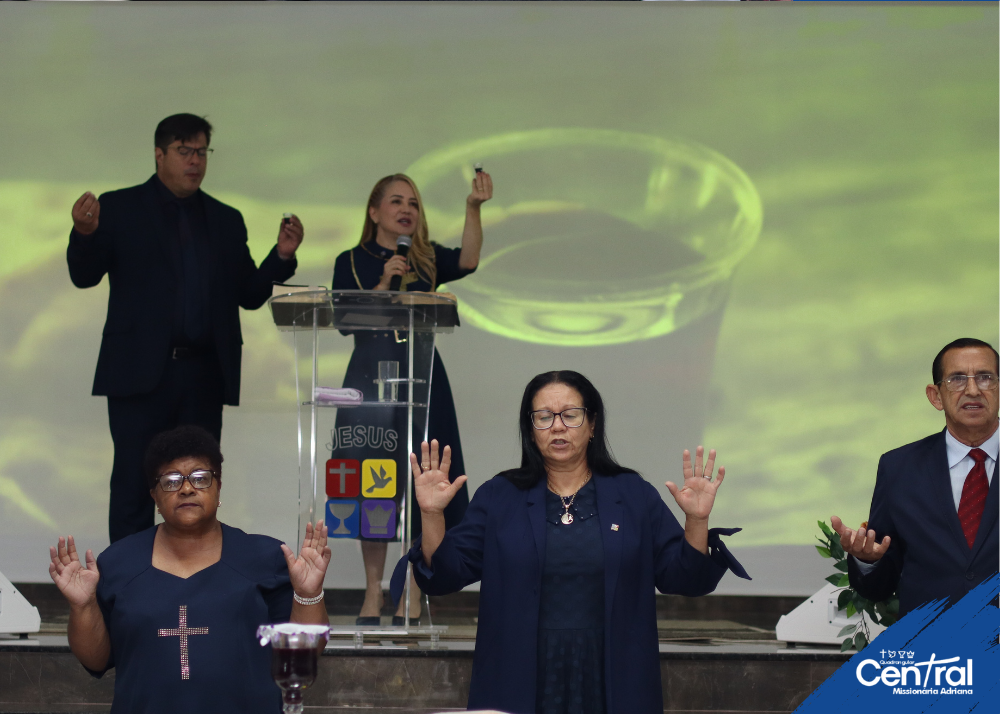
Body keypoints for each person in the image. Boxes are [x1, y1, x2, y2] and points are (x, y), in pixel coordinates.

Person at [390, 370, 749, 714]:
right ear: (530, 430)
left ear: (592, 425)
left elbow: (686, 578)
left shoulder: (633, 495)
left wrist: (696, 520)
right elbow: (443, 576)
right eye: (544, 417)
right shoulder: (500, 496)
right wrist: (432, 513)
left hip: (612, 676)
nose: (558, 426)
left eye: (571, 415)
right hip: (519, 676)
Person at [67, 113, 304, 543]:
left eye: (201, 151)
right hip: (140, 373)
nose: (195, 161)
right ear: (159, 155)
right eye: (184, 151)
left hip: (203, 374)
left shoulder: (226, 219)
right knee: (134, 484)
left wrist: (281, 256)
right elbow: (84, 276)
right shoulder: (119, 208)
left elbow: (249, 294)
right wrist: (84, 234)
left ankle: (196, 574)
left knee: (197, 485)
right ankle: (129, 580)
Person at [47, 425, 331, 713]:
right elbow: (95, 661)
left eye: (200, 478)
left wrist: (309, 594)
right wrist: (83, 606)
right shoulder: (119, 563)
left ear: (218, 487)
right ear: (154, 496)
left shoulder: (264, 558)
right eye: (171, 481)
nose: (186, 489)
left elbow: (304, 654)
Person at [330, 171, 492, 625]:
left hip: (422, 378)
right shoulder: (351, 260)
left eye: (414, 203)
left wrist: (473, 208)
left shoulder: (426, 258)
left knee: (425, 482)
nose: (406, 210)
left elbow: (469, 259)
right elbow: (344, 321)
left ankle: (413, 588)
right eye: (397, 201)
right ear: (374, 211)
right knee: (373, 484)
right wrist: (384, 284)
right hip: (370, 381)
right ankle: (373, 592)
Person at [833, 337, 999, 617]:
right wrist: (867, 560)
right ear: (936, 396)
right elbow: (880, 586)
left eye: (985, 377)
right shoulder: (899, 468)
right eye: (957, 379)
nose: (973, 390)